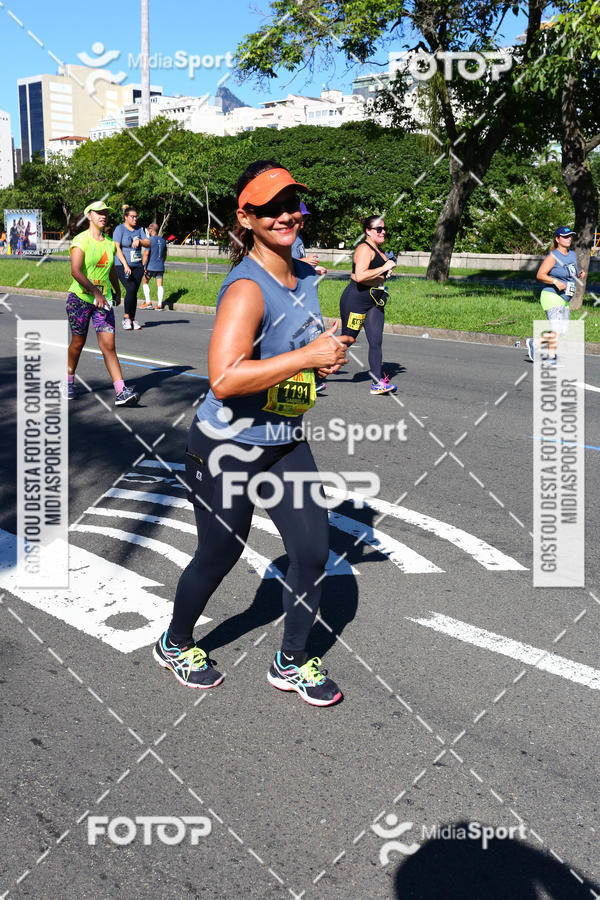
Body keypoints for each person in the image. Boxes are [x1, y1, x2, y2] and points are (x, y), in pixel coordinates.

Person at [153, 159, 353, 706]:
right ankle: (175, 641)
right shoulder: (247, 289)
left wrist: (316, 363)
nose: (288, 215)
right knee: (220, 553)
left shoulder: (307, 274)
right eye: (271, 208)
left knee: (312, 553)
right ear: (246, 217)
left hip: (283, 439)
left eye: (294, 203)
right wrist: (308, 355)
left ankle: (290, 661)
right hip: (226, 447)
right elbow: (223, 379)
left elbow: (287, 355)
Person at [66, 201, 139, 406]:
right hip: (80, 300)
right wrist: (96, 292)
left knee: (109, 345)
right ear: (89, 215)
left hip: (102, 301)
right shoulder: (80, 241)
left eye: (105, 213)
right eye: (99, 212)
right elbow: (76, 271)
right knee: (78, 343)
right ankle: (68, 381)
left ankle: (120, 391)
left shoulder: (108, 242)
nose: (103, 216)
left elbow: (111, 270)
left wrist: (116, 290)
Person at [339, 215, 397, 394]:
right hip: (356, 300)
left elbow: (368, 275)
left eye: (384, 228)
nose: (383, 231)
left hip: (374, 300)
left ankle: (377, 382)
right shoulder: (364, 249)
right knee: (348, 339)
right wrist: (385, 267)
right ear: (368, 231)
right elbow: (361, 275)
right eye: (378, 229)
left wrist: (384, 274)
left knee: (376, 341)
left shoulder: (379, 250)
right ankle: (313, 370)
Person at [525, 226, 585, 363]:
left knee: (561, 330)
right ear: (557, 239)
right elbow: (540, 275)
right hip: (551, 296)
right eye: (565, 236)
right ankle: (535, 343)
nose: (568, 238)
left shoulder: (572, 255)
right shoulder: (553, 256)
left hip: (564, 298)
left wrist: (579, 274)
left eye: (570, 236)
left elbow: (570, 273)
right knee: (557, 328)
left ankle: (551, 357)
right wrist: (554, 281)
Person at [113, 206, 150, 330]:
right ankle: (126, 317)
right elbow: (117, 248)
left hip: (138, 266)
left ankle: (132, 319)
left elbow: (148, 242)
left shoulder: (139, 229)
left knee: (133, 292)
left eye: (136, 216)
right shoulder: (120, 229)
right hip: (122, 265)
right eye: (132, 217)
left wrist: (140, 241)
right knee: (131, 288)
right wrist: (125, 264)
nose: (135, 219)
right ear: (126, 217)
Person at [291, 202, 328, 276]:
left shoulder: (299, 236)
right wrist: (305, 261)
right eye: (301, 216)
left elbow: (298, 264)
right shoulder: (286, 238)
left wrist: (313, 268)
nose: (303, 220)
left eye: (305, 217)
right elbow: (282, 264)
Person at [140, 223, 167, 309]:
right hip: (160, 266)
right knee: (159, 285)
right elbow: (165, 254)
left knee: (144, 281)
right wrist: (162, 262)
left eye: (148, 230)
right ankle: (159, 304)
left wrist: (143, 265)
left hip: (150, 266)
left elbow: (146, 254)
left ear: (151, 230)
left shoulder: (149, 240)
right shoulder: (163, 240)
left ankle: (148, 302)